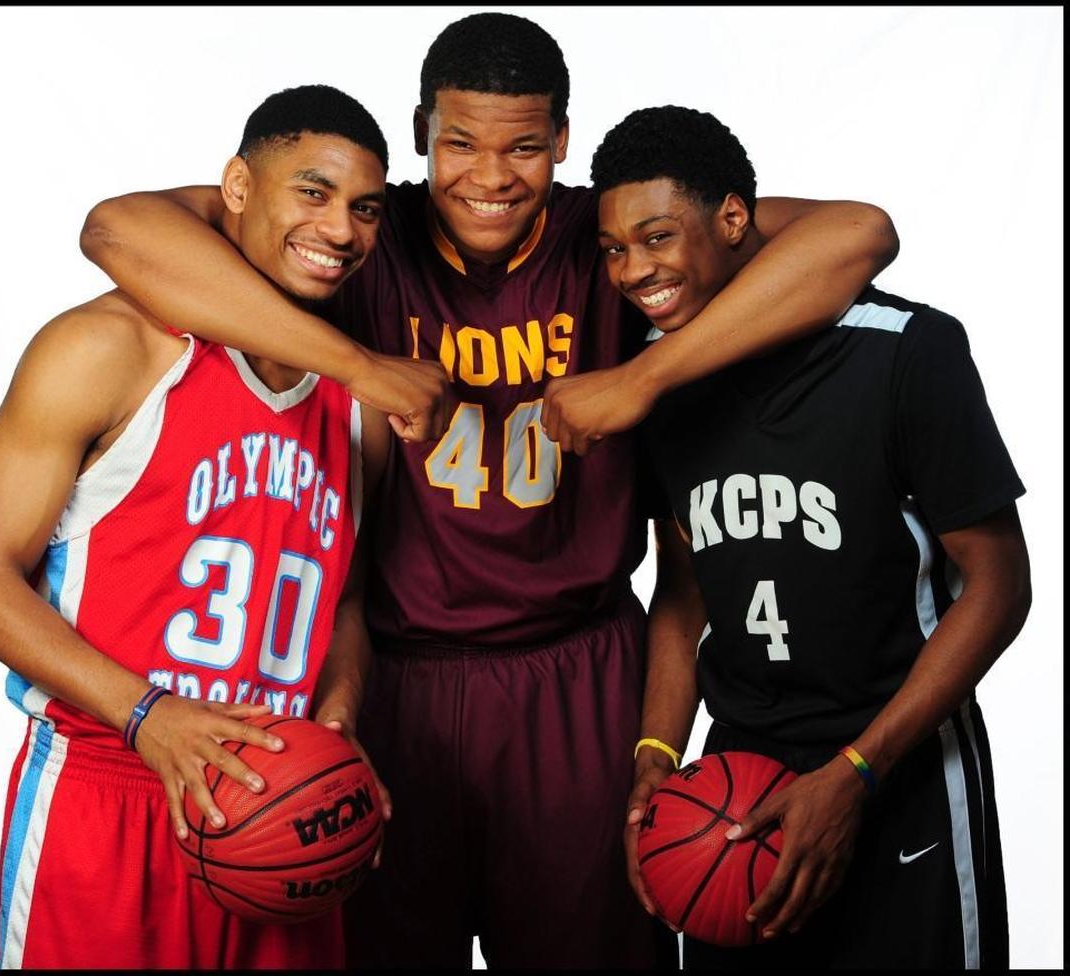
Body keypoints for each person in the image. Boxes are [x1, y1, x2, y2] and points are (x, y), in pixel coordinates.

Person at [75, 14, 900, 967]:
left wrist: (641, 380)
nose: (491, 177)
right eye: (461, 143)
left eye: (524, 146)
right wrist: (359, 364)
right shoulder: (363, 235)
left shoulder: (611, 237)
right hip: (394, 675)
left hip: (580, 672)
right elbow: (118, 228)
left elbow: (857, 235)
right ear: (423, 133)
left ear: (562, 140)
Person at [0, 85, 397, 969]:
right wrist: (148, 716)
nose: (340, 230)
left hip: (279, 804)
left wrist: (336, 722)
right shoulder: (111, 347)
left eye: (365, 209)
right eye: (312, 192)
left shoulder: (357, 406)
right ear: (234, 187)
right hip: (108, 789)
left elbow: (344, 601)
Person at [590, 105, 1030, 969]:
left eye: (656, 237)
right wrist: (655, 752)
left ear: (732, 219)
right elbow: (683, 593)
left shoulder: (908, 350)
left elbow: (1000, 587)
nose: (634, 271)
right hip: (733, 793)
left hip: (901, 776)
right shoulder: (659, 379)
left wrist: (857, 771)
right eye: (613, 249)